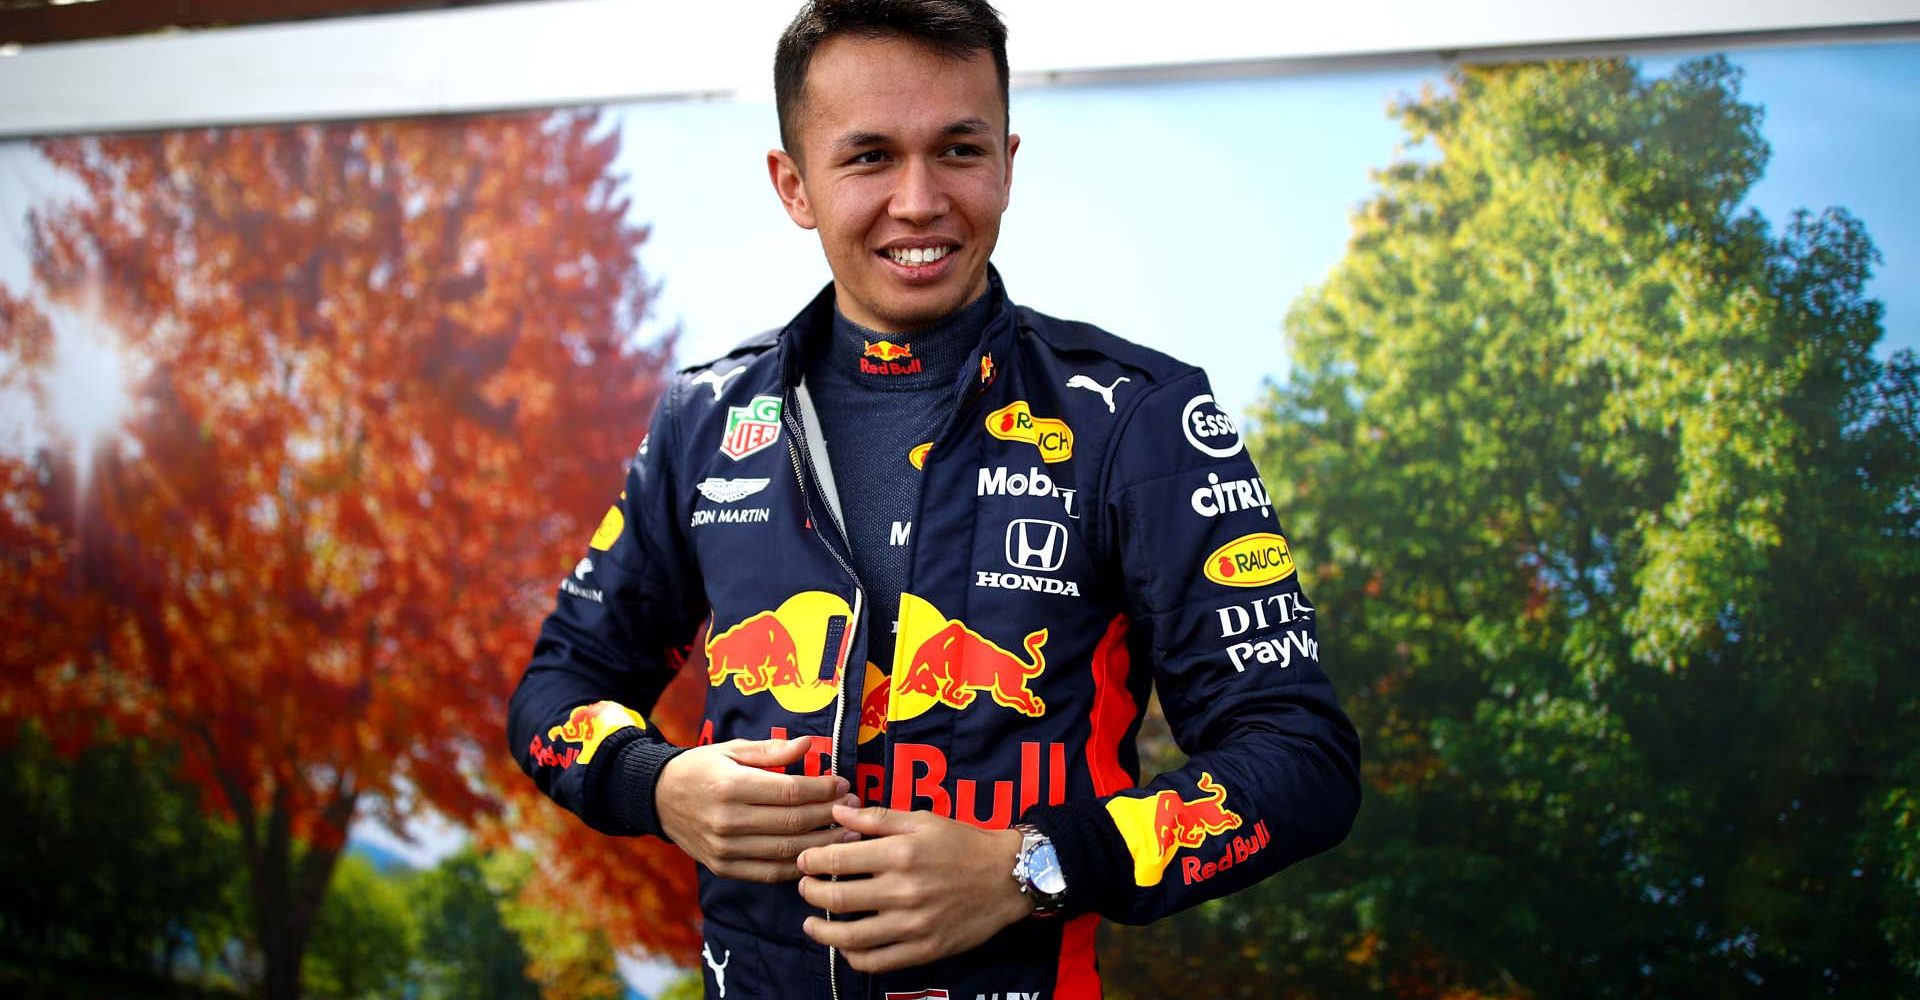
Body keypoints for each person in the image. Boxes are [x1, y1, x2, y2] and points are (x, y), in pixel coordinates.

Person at [506, 2, 1362, 997]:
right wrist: (653, 784)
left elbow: (1302, 761)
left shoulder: (1141, 417)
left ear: (1006, 160)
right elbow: (555, 690)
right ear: (794, 185)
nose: (919, 200)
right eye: (868, 157)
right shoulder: (708, 415)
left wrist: (1034, 866)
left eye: (957, 149)